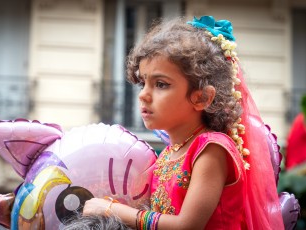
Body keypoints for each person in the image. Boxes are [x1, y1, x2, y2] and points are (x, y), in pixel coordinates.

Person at [83, 16, 284, 229]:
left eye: (161, 84)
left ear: (202, 98)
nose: (143, 95)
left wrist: (111, 209)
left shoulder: (211, 149)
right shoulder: (169, 153)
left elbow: (187, 225)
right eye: (143, 83)